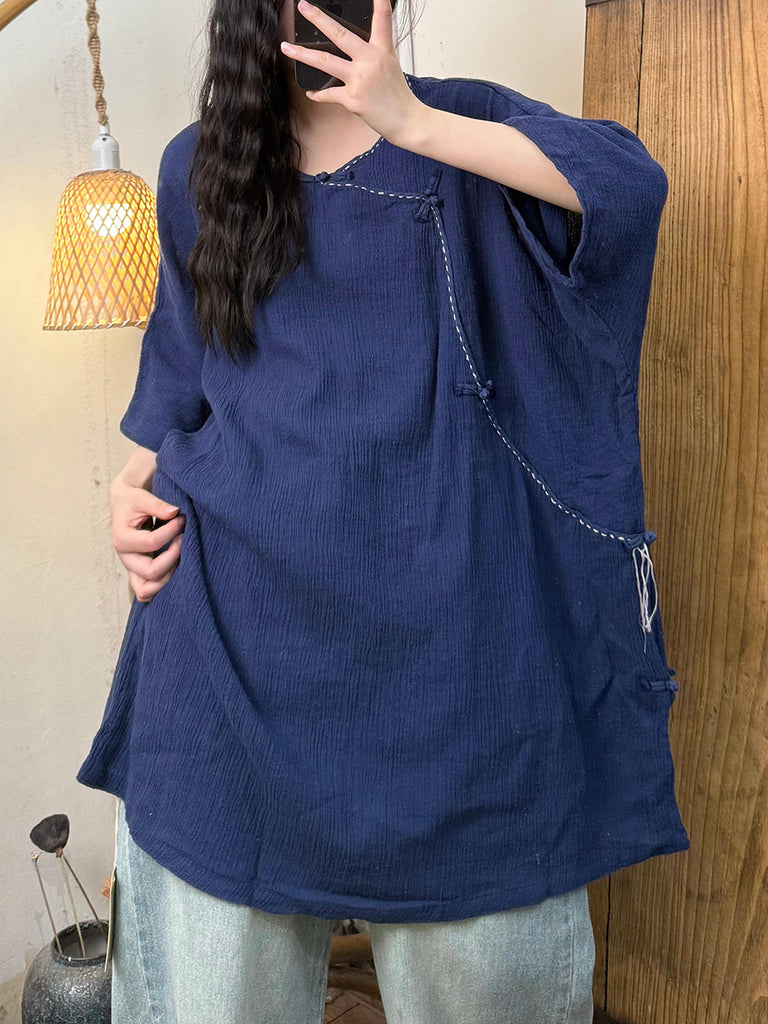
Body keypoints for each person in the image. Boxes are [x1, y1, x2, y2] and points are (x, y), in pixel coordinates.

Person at [76, 0, 690, 1019]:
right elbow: (183, 382)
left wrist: (411, 122)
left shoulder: (467, 127)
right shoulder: (199, 170)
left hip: (463, 684)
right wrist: (128, 487)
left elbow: (630, 186)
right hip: (229, 655)